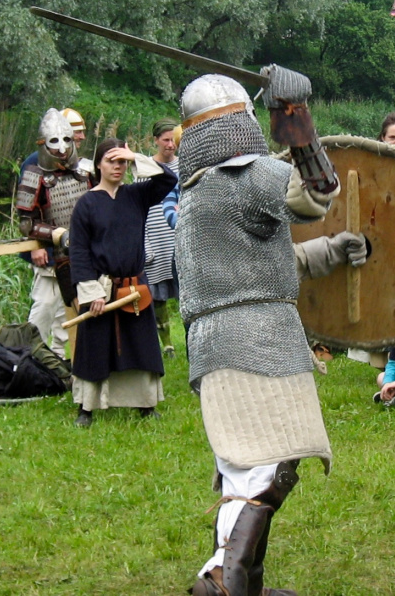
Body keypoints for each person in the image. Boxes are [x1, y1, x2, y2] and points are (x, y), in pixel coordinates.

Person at [176, 71, 366, 596]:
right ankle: (223, 580)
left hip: (219, 339)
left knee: (244, 465)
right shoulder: (248, 174)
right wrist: (294, 114)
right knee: (264, 468)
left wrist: (330, 250)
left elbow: (262, 264)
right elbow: (319, 191)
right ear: (242, 121)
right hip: (255, 339)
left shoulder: (196, 191)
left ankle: (238, 580)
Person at [67, 137, 177, 425]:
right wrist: (92, 294)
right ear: (98, 165)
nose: (117, 166)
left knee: (139, 346)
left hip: (135, 288)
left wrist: (135, 155)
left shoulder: (136, 195)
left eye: (122, 162)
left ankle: (144, 403)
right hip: (101, 288)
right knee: (94, 348)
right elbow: (78, 252)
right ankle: (87, 408)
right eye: (111, 161)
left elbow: (168, 180)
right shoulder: (87, 204)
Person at [16, 108, 92, 358]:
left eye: (71, 137)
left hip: (82, 254)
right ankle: (26, 356)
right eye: (55, 141)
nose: (62, 147)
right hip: (51, 252)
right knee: (45, 307)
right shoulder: (34, 169)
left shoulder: (85, 169)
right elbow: (27, 222)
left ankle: (63, 359)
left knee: (71, 309)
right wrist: (44, 243)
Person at [142, 119, 181, 356]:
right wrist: (145, 244)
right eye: (165, 140)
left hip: (178, 237)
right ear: (156, 140)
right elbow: (138, 208)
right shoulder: (145, 169)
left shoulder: (185, 166)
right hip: (155, 238)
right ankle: (166, 343)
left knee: (185, 292)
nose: (170, 145)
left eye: (173, 140)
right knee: (158, 297)